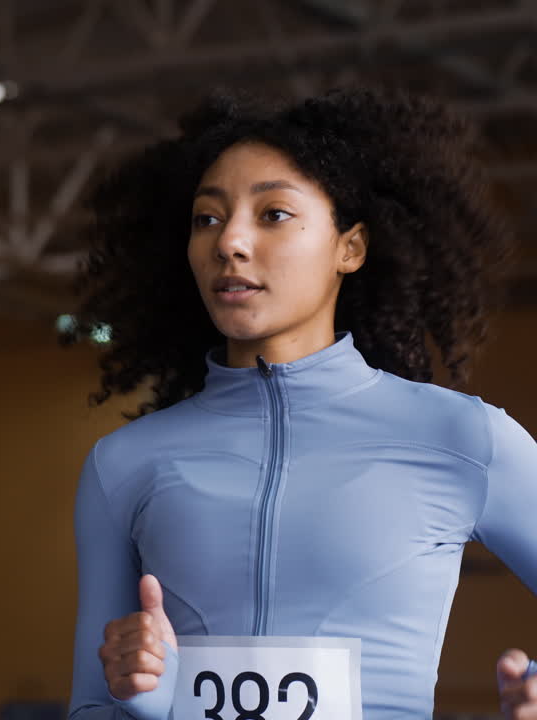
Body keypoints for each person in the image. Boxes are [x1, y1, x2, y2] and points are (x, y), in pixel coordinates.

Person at [66, 89, 537, 719]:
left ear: (351, 247)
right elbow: (90, 709)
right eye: (207, 218)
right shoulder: (121, 466)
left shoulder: (463, 439)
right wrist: (146, 703)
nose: (230, 240)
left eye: (274, 214)